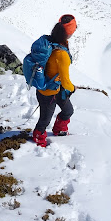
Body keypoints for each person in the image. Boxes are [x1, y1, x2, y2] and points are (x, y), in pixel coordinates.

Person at [33, 14, 77, 147]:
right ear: (68, 33)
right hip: (48, 91)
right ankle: (38, 137)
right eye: (74, 29)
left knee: (68, 110)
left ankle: (59, 129)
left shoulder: (52, 42)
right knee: (45, 119)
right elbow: (66, 82)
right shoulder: (61, 54)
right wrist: (72, 88)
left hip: (55, 87)